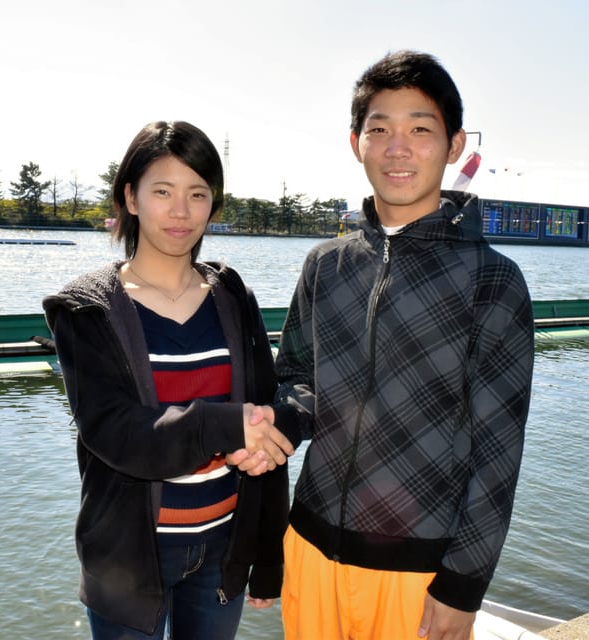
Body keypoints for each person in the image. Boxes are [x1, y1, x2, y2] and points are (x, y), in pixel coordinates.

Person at [272, 51, 535, 640]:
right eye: (380, 130)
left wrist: (462, 585)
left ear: (454, 144)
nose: (398, 148)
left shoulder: (493, 280)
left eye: (420, 129)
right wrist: (281, 423)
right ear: (356, 143)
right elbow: (296, 377)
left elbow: (498, 449)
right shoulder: (325, 264)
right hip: (309, 545)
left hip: (418, 572)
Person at [43, 120, 300, 640]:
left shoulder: (232, 294)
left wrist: (268, 556)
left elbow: (266, 409)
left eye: (197, 194)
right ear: (130, 198)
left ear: (213, 204)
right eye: (162, 191)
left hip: (222, 550)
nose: (181, 211)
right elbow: (114, 431)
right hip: (128, 558)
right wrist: (225, 425)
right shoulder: (86, 309)